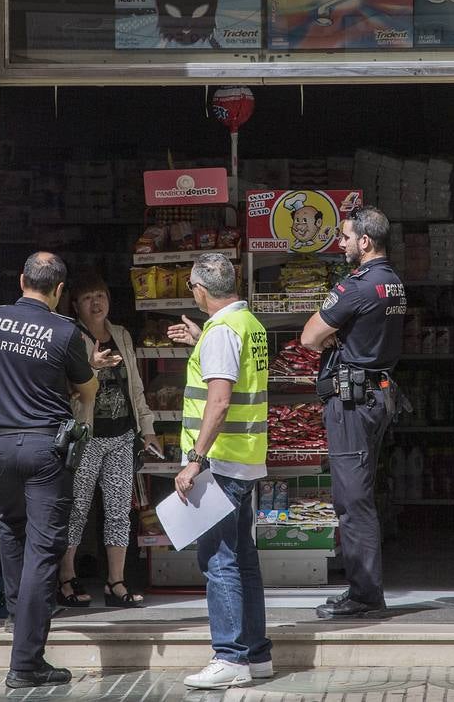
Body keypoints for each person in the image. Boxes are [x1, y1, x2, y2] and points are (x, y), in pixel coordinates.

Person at [0, 252, 98, 689]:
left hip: (0, 445)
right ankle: (26, 662)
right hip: (46, 447)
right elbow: (86, 387)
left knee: (12, 530)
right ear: (60, 290)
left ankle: (17, 625)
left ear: (22, 278)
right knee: (43, 551)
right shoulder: (65, 331)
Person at [166, 252, 275, 688]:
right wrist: (201, 340)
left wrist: (196, 459)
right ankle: (256, 654)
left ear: (199, 289)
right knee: (244, 559)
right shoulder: (248, 325)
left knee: (219, 560)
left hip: (220, 464)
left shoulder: (222, 331)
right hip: (244, 459)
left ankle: (229, 657)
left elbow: (220, 400)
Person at [300, 206, 405, 619]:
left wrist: (331, 336)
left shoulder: (357, 287)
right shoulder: (393, 283)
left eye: (346, 237)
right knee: (360, 491)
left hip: (353, 402)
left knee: (352, 498)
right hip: (376, 395)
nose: (340, 244)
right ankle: (363, 589)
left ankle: (364, 594)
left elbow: (310, 335)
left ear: (365, 242)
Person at [58, 272, 163, 608]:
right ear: (75, 305)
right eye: (88, 297)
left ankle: (115, 582)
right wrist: (93, 366)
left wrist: (147, 428)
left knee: (119, 511)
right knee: (77, 510)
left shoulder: (121, 334)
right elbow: (65, 389)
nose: (96, 302)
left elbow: (135, 387)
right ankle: (66, 578)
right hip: (87, 437)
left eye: (101, 295)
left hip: (121, 436)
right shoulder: (70, 335)